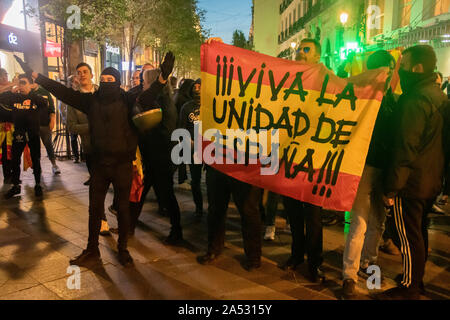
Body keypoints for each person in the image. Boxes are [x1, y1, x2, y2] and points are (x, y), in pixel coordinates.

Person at [16, 53, 175, 267]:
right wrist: (35, 75)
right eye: (103, 79)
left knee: (123, 208)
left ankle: (123, 249)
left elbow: (149, 95)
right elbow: (60, 91)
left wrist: (163, 77)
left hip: (122, 166)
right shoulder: (89, 101)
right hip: (99, 165)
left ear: (118, 82)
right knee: (94, 209)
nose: (106, 83)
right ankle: (92, 250)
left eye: (111, 80)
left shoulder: (128, 99)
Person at [378, 45, 448, 300]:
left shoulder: (414, 100)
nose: (400, 70)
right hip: (430, 180)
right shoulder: (437, 95)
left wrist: (392, 188)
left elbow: (404, 147)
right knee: (419, 233)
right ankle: (415, 278)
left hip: (410, 183)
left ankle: (410, 288)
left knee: (407, 237)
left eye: (403, 65)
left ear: (416, 68)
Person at [197, 38, 263, 272]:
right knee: (216, 208)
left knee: (249, 210)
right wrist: (217, 48)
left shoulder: (260, 95)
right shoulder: (218, 91)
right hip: (218, 160)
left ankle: (254, 256)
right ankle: (214, 248)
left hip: (247, 162)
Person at [341, 50, 396, 299]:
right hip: (363, 168)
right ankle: (349, 275)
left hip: (383, 171)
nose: (391, 74)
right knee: (359, 222)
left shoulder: (394, 100)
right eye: (387, 69)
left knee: (378, 222)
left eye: (392, 69)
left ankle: (368, 264)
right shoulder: (359, 97)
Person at [280, 38, 326, 282]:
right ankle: (296, 255)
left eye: (306, 50)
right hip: (290, 160)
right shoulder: (288, 81)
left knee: (314, 217)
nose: (300, 53)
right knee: (294, 215)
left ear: (317, 57)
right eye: (299, 50)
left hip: (314, 162)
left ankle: (315, 262)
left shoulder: (329, 82)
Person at [129, 68, 181, 243]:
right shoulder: (160, 100)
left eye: (144, 81)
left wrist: (144, 130)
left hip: (161, 157)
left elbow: (165, 131)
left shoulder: (164, 102)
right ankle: (129, 225)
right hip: (155, 157)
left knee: (167, 195)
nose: (142, 84)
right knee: (142, 191)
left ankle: (177, 232)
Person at [66, 63, 110, 236]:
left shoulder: (104, 94)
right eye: (79, 73)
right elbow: (71, 126)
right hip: (91, 149)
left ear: (92, 75)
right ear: (77, 78)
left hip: (110, 147)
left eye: (85, 72)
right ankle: (102, 219)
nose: (82, 75)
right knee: (97, 187)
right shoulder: (74, 100)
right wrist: (92, 126)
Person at [0, 74, 49, 198]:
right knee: (15, 160)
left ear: (30, 84)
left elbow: (45, 103)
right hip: (18, 134)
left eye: (24, 82)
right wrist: (12, 85)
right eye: (20, 83)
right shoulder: (13, 96)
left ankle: (38, 184)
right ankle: (16, 185)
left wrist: (30, 92)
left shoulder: (36, 98)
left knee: (36, 159)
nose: (21, 85)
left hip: (33, 133)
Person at [178, 78, 203, 217]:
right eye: (195, 86)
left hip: (211, 149)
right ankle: (198, 207)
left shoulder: (212, 106)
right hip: (194, 149)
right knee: (196, 180)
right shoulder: (186, 107)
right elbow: (181, 128)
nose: (197, 89)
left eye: (200, 87)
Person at [31, 81, 60, 175]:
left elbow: (52, 108)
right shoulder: (27, 93)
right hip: (32, 125)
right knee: (34, 147)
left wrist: (52, 120)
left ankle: (54, 165)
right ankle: (37, 167)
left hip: (44, 123)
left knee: (48, 144)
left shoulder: (45, 92)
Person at [0, 68, 15, 184]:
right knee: (5, 151)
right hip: (2, 127)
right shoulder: (4, 89)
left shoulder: (11, 90)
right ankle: (7, 175)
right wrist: (13, 84)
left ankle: (14, 174)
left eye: (6, 75)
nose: (5, 77)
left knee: (14, 151)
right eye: (4, 75)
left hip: (13, 125)